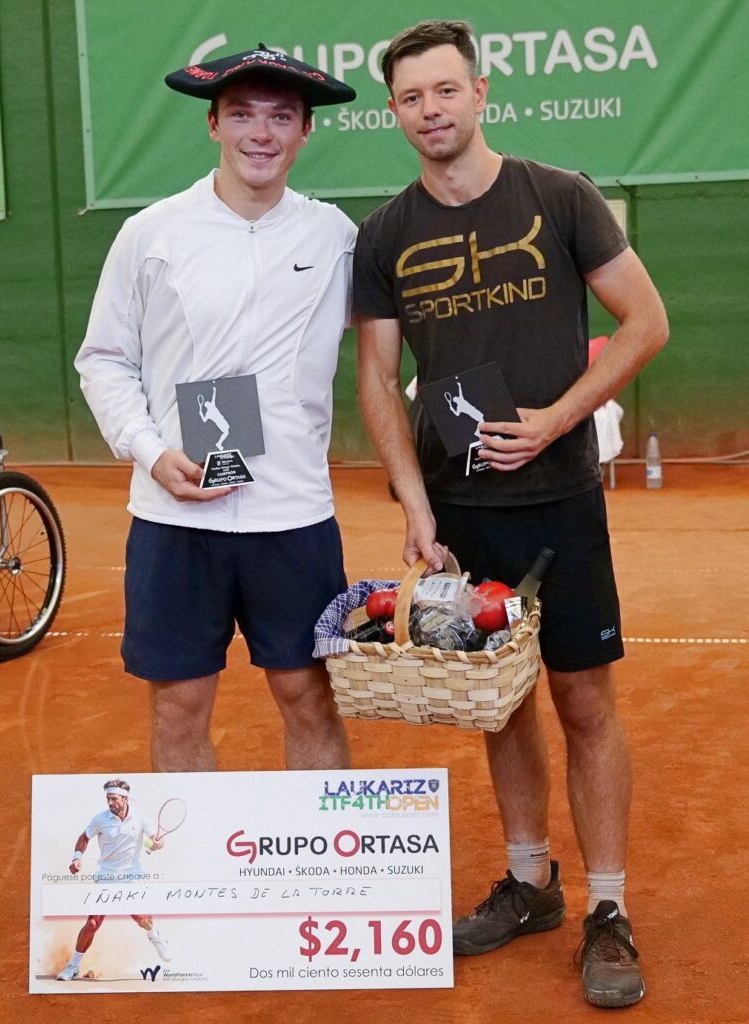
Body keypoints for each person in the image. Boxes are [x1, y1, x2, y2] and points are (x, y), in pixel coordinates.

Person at [354, 20, 668, 1009]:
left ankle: (607, 909)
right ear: (395, 112)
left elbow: (645, 321)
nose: (431, 109)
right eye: (412, 97)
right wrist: (413, 500)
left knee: (583, 701)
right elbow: (375, 375)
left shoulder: (559, 196)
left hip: (562, 497)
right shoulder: (387, 233)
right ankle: (530, 882)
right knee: (502, 700)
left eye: (446, 90)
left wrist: (555, 419)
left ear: (481, 93)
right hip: (458, 510)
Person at [75, 47, 357, 773]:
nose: (260, 133)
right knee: (178, 703)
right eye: (242, 115)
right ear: (212, 125)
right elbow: (103, 358)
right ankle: (191, 882)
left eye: (280, 117)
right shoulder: (150, 233)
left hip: (292, 514)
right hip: (175, 516)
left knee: (308, 695)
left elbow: (403, 335)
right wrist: (149, 450)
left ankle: (321, 875)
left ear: (305, 133)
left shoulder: (335, 238)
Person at [56, 779, 169, 980]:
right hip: (106, 877)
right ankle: (73, 966)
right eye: (108, 798)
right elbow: (84, 837)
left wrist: (156, 845)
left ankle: (156, 937)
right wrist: (76, 858)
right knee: (92, 924)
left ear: (124, 799)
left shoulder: (141, 818)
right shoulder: (100, 819)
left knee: (142, 920)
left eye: (114, 799)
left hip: (132, 876)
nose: (110, 803)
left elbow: (154, 842)